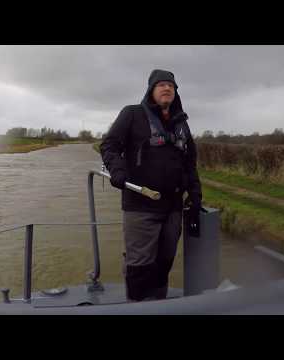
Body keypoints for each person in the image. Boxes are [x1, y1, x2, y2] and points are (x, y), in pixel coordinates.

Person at [100, 69, 202, 302]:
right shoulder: (132, 114)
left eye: (171, 86)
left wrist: (195, 194)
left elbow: (190, 163)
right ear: (151, 90)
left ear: (175, 92)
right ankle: (137, 306)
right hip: (140, 205)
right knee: (139, 267)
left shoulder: (182, 125)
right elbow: (109, 146)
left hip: (173, 208)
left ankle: (158, 304)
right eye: (161, 85)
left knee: (164, 263)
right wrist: (117, 170)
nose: (167, 88)